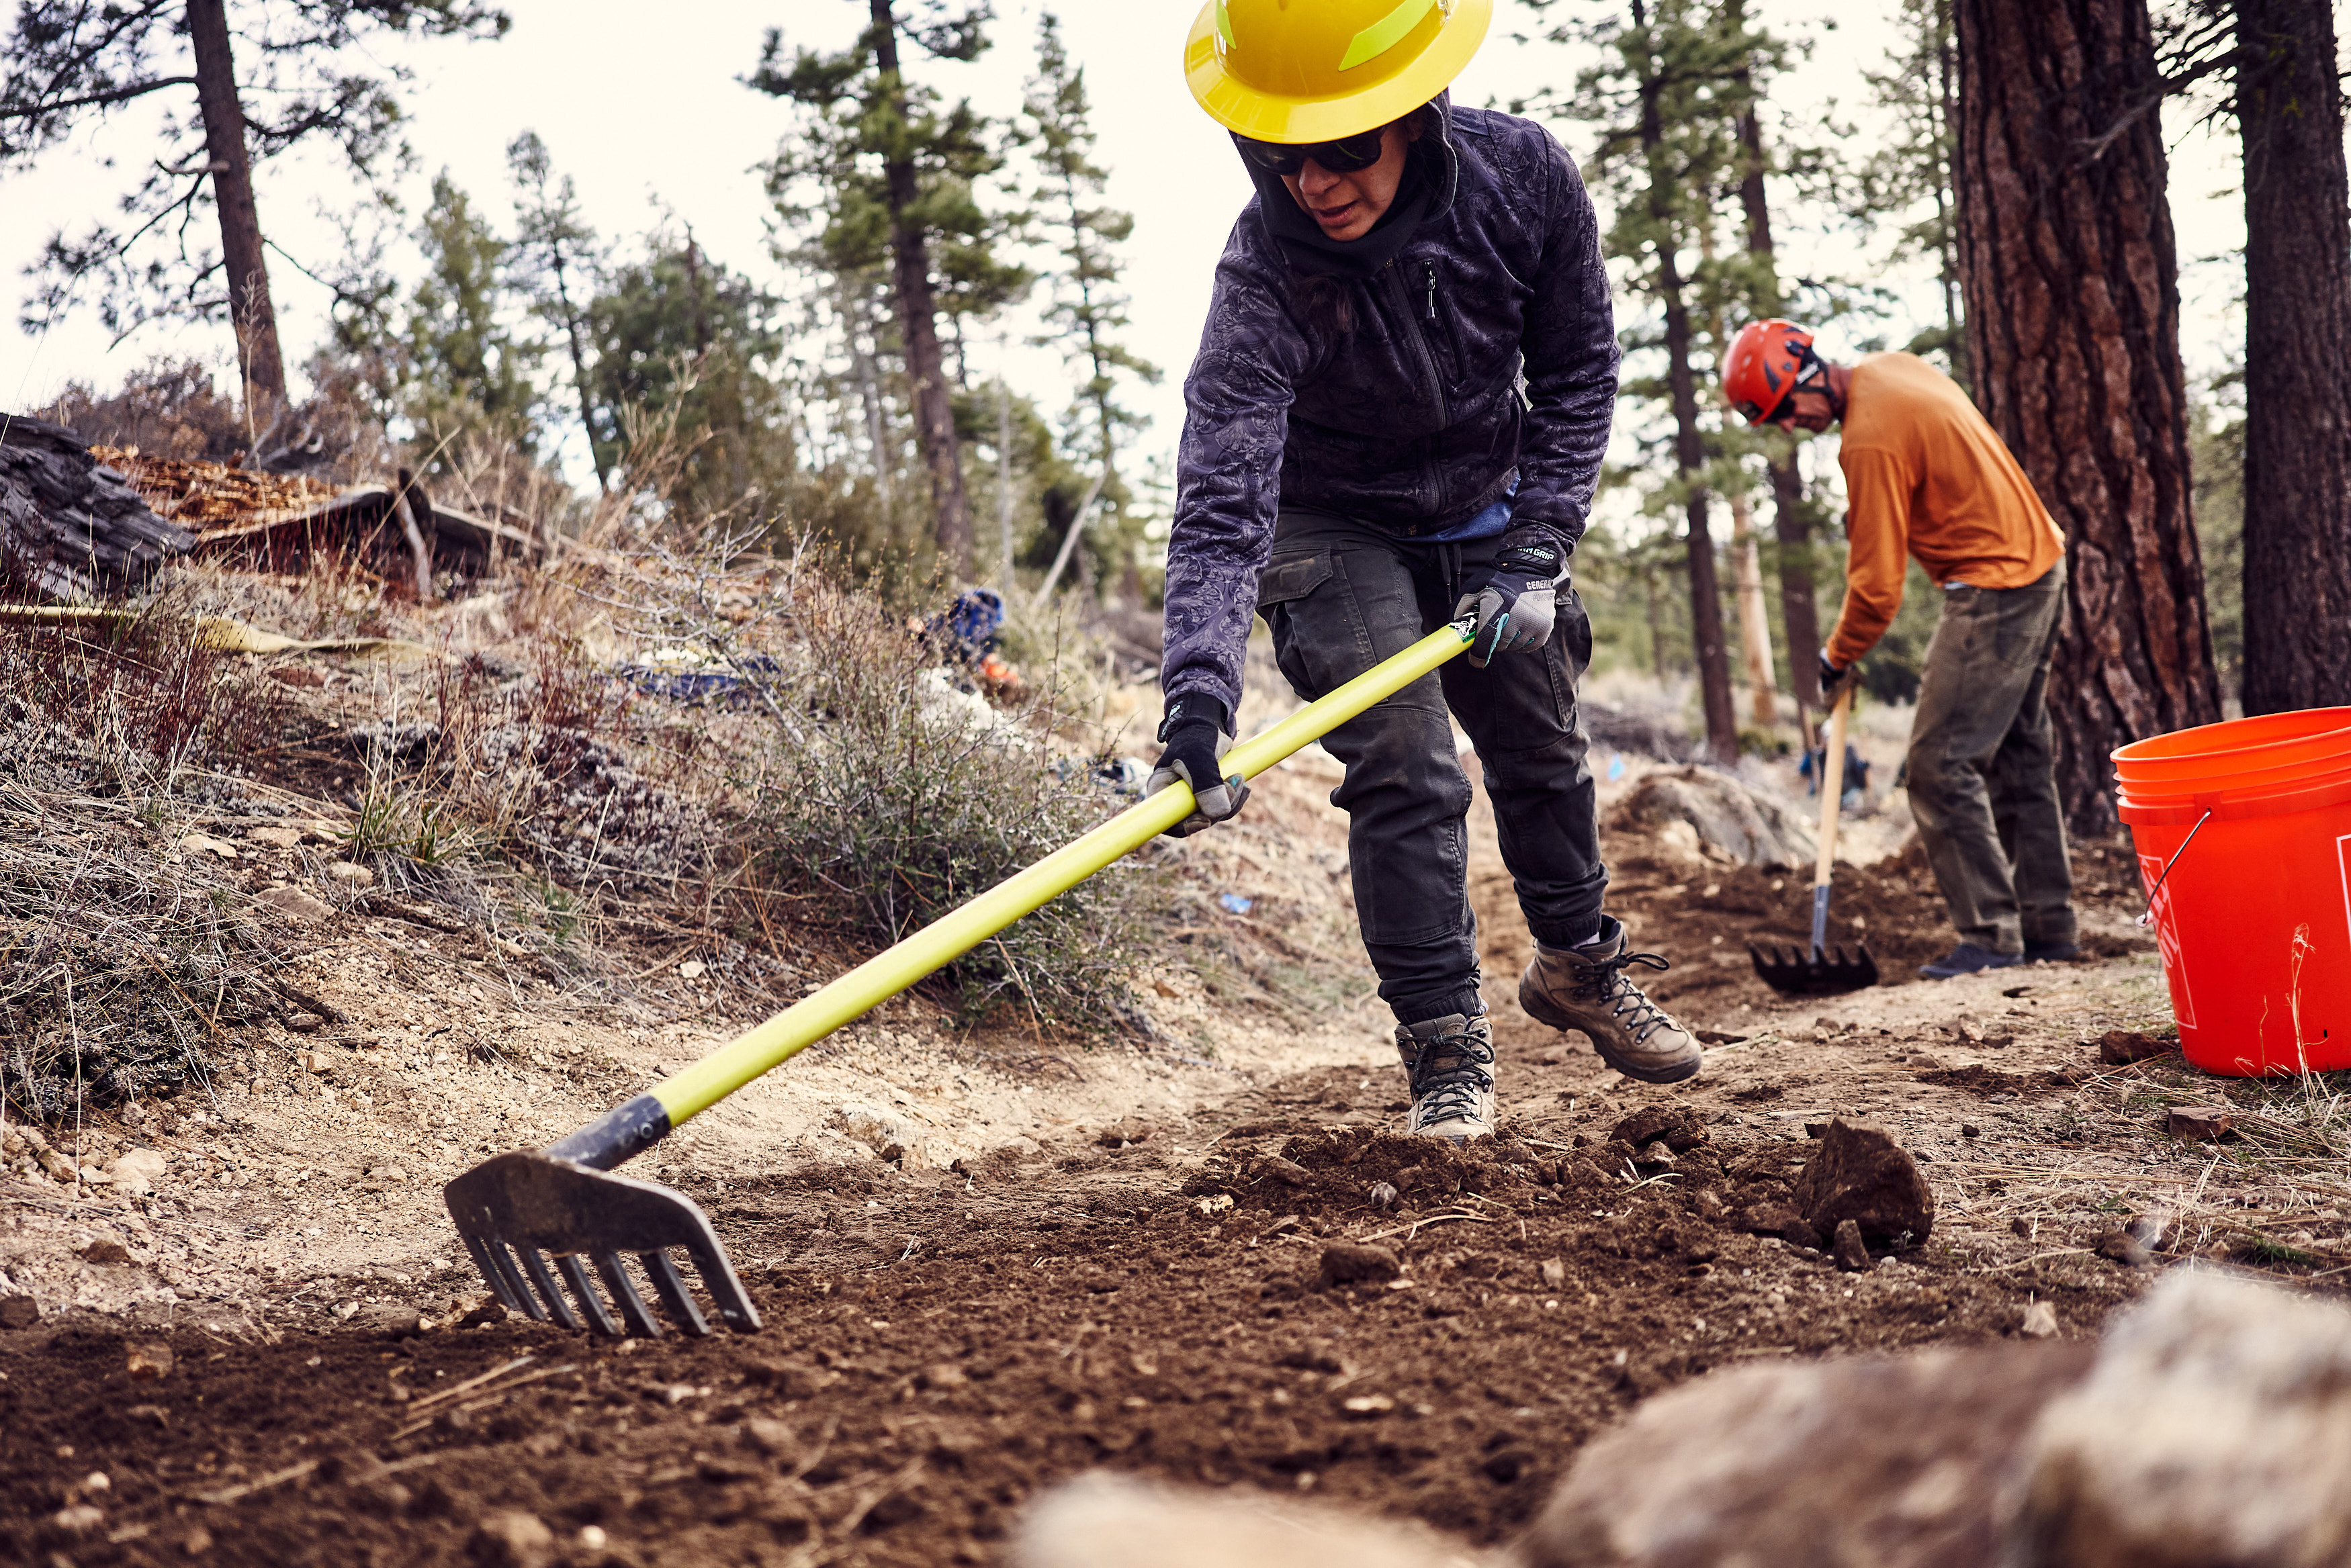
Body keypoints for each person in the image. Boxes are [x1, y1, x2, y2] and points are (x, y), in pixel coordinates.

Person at [1145, 0, 1701, 1145]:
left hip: (1490, 505)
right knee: (1405, 760)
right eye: (1285, 154)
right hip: (1332, 521)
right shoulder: (1260, 282)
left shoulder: (1522, 180)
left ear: (1413, 117)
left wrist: (1541, 546)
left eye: (1345, 147)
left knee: (1540, 743)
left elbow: (1581, 368)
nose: (1316, 182)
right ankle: (1446, 1049)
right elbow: (1221, 500)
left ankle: (1579, 965)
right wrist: (1196, 698)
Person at [1722, 319, 2078, 978]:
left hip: (1994, 587)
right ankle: (2049, 930)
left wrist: (1836, 654)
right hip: (2039, 565)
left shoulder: (1866, 440)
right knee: (2019, 756)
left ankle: (1991, 940)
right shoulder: (1892, 369)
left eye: (1783, 414)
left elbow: (1877, 586)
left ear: (1802, 376)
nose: (1789, 430)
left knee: (1939, 765)